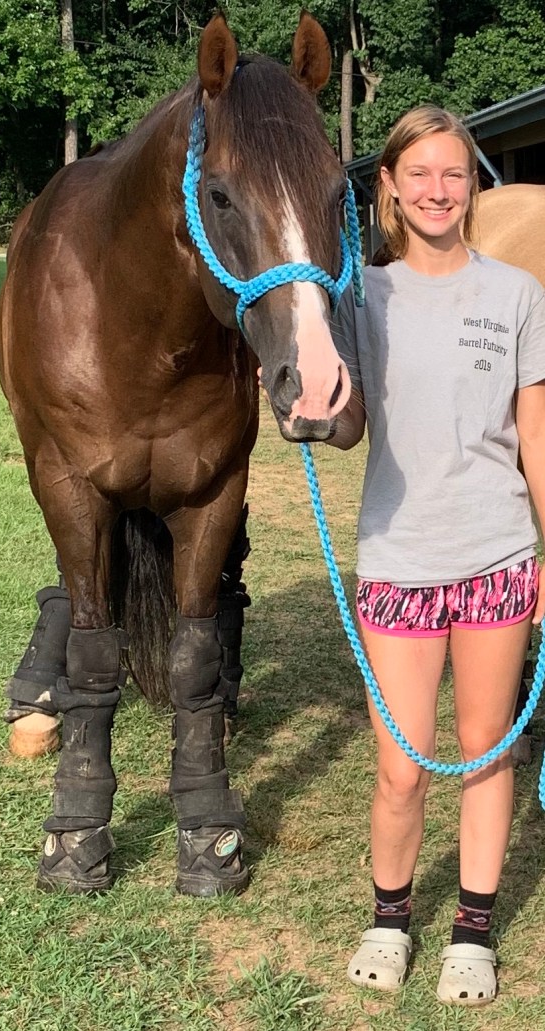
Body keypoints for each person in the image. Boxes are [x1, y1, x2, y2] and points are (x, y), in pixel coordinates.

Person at [328, 104, 545, 1005]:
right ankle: (390, 918)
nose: (437, 189)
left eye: (453, 172)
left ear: (472, 184)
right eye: (418, 172)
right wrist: (313, 408)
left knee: (487, 749)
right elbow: (348, 426)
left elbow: (535, 434)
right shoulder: (362, 298)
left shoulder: (517, 295)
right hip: (399, 559)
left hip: (498, 555)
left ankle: (472, 930)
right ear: (388, 184)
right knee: (401, 765)